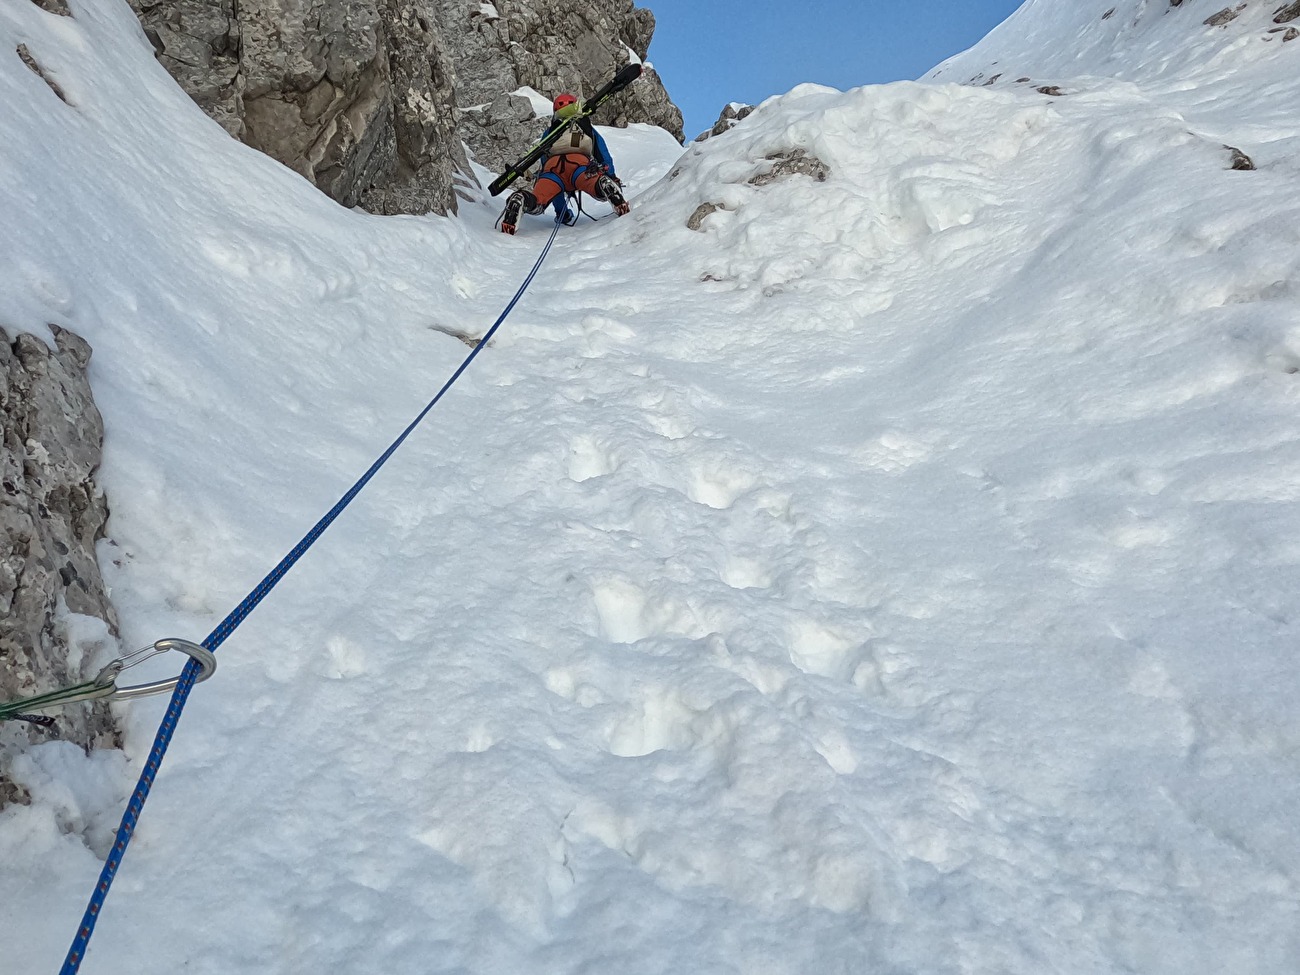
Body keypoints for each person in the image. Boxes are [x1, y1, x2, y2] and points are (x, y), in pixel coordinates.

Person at [500, 93, 630, 235]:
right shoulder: (585, 128)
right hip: (580, 166)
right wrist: (611, 175)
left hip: (552, 169)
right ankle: (603, 184)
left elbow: (544, 161)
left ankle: (522, 199)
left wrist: (562, 213)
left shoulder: (550, 132)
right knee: (596, 187)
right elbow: (602, 152)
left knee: (539, 201)